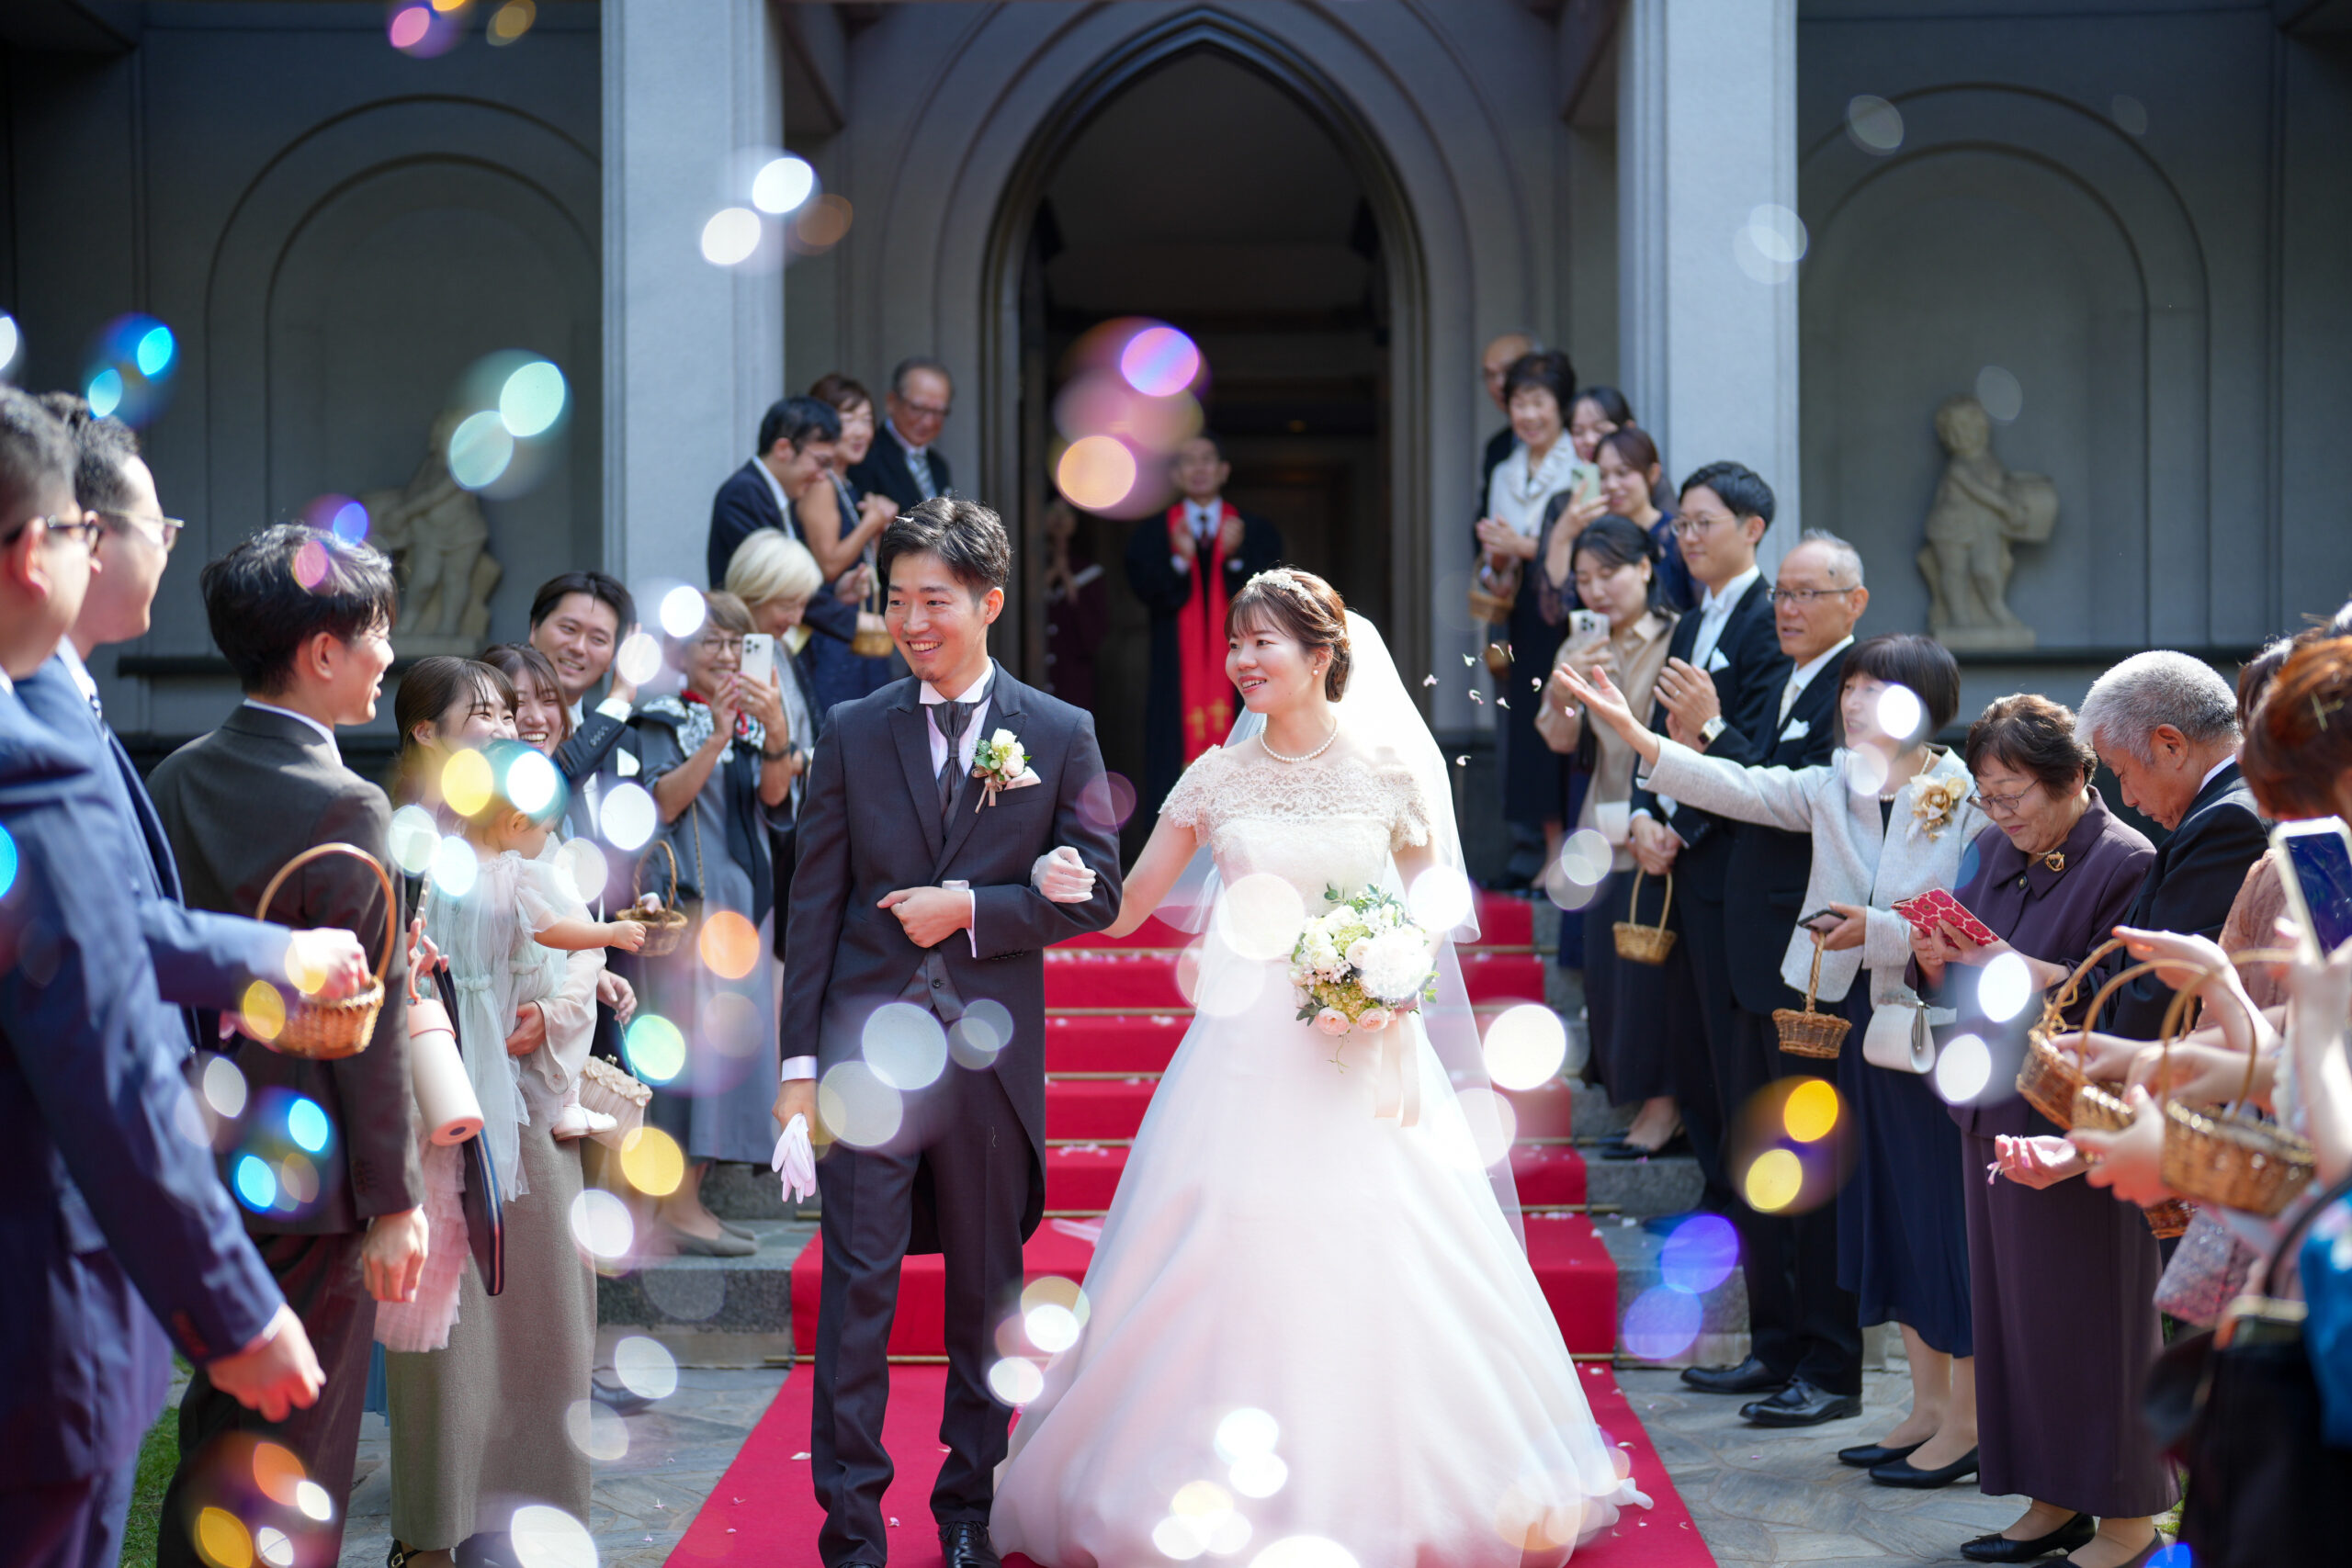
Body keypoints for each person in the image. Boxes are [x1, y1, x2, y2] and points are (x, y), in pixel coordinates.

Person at [991, 568, 1652, 1566]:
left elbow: (1434, 916)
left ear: (1321, 654)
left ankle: (1404, 1488)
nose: (1241, 661)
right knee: (1224, 1236)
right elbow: (1126, 910)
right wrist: (1058, 878)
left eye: (1263, 642)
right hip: (1243, 1055)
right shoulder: (1215, 776)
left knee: (1391, 1243)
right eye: (1236, 643)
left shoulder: (1386, 772)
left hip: (1365, 1054)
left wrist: (1383, 971)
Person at [0, 389, 320, 1568]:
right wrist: (235, 1310)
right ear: (40, 551)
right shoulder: (23, 753)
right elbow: (104, 1058)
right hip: (37, 1295)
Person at [774, 496, 1122, 1568]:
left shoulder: (1057, 732)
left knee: (982, 1294)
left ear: (988, 602)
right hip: (864, 1053)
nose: (912, 622)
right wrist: (797, 1069)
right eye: (897, 601)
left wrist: (973, 907)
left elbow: (1099, 893)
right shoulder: (852, 728)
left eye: (935, 600)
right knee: (857, 1291)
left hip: (986, 1060)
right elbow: (813, 905)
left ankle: (966, 1508)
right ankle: (849, 1528)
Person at [1564, 633, 1985, 1479]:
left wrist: (1883, 932)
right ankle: (1926, 1407)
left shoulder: (1967, 795)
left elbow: (1970, 923)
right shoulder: (1834, 782)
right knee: (1877, 1208)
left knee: (1932, 1210)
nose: (1853, 701)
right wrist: (1641, 738)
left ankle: (1968, 1420)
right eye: (1851, 686)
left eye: (1874, 689)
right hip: (1835, 1007)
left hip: (1928, 1017)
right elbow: (1741, 786)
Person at [148, 523, 429, 1568]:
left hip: (197, 1152)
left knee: (218, 1431)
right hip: (311, 1184)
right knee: (295, 1458)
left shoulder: (175, 778)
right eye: (377, 631)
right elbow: (372, 1025)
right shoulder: (347, 800)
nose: (387, 655)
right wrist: (395, 1200)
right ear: (321, 651)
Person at [18, 395, 369, 1057]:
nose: (165, 551)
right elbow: (91, 929)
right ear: (89, 537)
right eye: (159, 529)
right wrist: (282, 954)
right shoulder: (34, 707)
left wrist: (215, 998)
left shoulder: (70, 697)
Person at [1907, 694, 2170, 1568]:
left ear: (2075, 778)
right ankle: (2050, 1499)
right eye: (1987, 794)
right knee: (2018, 1318)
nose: (2000, 811)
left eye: (2014, 792)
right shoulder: (1990, 849)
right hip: (1993, 1107)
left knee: (2100, 1319)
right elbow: (1966, 973)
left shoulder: (2126, 860)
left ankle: (2128, 1521)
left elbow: (2128, 1000)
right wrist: (1938, 959)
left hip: (2077, 1119)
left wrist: (2022, 969)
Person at [383, 675, 609, 1564]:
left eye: (508, 714)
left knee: (547, 1322)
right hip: (438, 1113)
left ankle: (541, 1515)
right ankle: (433, 1532)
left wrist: (552, 1013)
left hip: (529, 1108)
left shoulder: (528, 835)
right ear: (427, 735)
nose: (506, 726)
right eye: (482, 714)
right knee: (446, 1338)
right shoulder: (403, 841)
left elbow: (576, 950)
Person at [1626, 461, 1789, 1222]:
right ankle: (1712, 1187)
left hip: (1731, 860)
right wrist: (1641, 814)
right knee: (1690, 1034)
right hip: (1680, 858)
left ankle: (1737, 1200)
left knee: (1730, 1043)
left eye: (1703, 523)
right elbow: (1662, 733)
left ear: (1752, 529)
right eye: (1681, 524)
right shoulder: (1692, 621)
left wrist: (1681, 827)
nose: (1687, 537)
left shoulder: (1770, 620)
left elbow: (1758, 757)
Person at [632, 591, 797, 1256]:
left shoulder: (754, 721)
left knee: (731, 1051)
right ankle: (675, 1207)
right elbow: (662, 802)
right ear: (680, 653)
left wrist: (776, 733)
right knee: (693, 1056)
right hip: (693, 905)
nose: (727, 655)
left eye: (737, 642)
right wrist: (719, 736)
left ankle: (690, 1202)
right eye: (712, 641)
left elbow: (775, 802)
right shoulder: (659, 719)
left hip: (744, 903)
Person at [1534, 517, 1686, 1156]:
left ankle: (1664, 1110)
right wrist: (1564, 688)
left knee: (1655, 974)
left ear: (1646, 568)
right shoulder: (1579, 643)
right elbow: (1559, 738)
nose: (1596, 590)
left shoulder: (1678, 635)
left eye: (1609, 573)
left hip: (1663, 822)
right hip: (1601, 823)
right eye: (1584, 579)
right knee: (1610, 971)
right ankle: (1640, 1100)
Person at [2075, 650, 2269, 1039]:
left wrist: (2110, 1062)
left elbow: (2165, 995)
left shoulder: (2227, 822)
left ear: (2171, 746)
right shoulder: (2232, 806)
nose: (2127, 798)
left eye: (2121, 772)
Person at [1475, 348, 1589, 890]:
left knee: (1570, 722)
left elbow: (1583, 545)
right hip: (1523, 613)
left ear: (1560, 406)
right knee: (1530, 729)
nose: (1528, 415)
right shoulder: (1504, 469)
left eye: (1539, 402)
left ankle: (1575, 848)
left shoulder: (1581, 463)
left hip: (1568, 611)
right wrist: (1498, 561)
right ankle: (1549, 850)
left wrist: (1521, 545)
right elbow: (1498, 558)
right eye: (1520, 403)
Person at [1125, 432, 1284, 818]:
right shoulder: (1153, 534)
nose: (1198, 468)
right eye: (1188, 460)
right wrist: (1179, 561)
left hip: (1243, 664)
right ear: (1176, 474)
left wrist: (1235, 559)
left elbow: (1269, 596)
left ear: (1223, 470)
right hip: (1175, 666)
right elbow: (1147, 592)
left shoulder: (1253, 531)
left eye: (1207, 459)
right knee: (1171, 744)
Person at [798, 372, 901, 711]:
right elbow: (829, 564)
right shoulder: (821, 483)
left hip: (854, 627)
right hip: (832, 631)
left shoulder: (845, 483)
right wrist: (871, 521)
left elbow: (859, 561)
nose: (861, 432)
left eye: (867, 420)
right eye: (849, 420)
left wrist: (874, 530)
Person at [847, 356, 956, 511]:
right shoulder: (865, 456)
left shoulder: (939, 466)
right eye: (917, 408)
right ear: (891, 401)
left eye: (938, 411)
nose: (928, 422)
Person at [1041, 494, 1109, 712]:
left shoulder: (1089, 573)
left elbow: (1093, 640)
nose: (1059, 519)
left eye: (1067, 513)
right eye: (1052, 510)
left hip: (1072, 685)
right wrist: (1049, 578)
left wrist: (1070, 585)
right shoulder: (1029, 568)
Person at [1474, 330, 1537, 516]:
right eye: (1490, 375)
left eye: (1508, 371)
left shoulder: (1576, 437)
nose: (1499, 384)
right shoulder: (1497, 447)